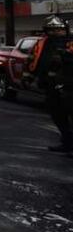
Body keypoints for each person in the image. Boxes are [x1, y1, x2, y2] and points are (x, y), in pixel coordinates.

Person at [41, 15, 73, 153]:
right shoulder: (47, 43)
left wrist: (64, 56)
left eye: (58, 30)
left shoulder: (70, 43)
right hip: (52, 86)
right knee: (57, 115)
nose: (54, 33)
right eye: (51, 30)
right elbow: (40, 62)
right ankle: (67, 142)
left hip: (69, 85)